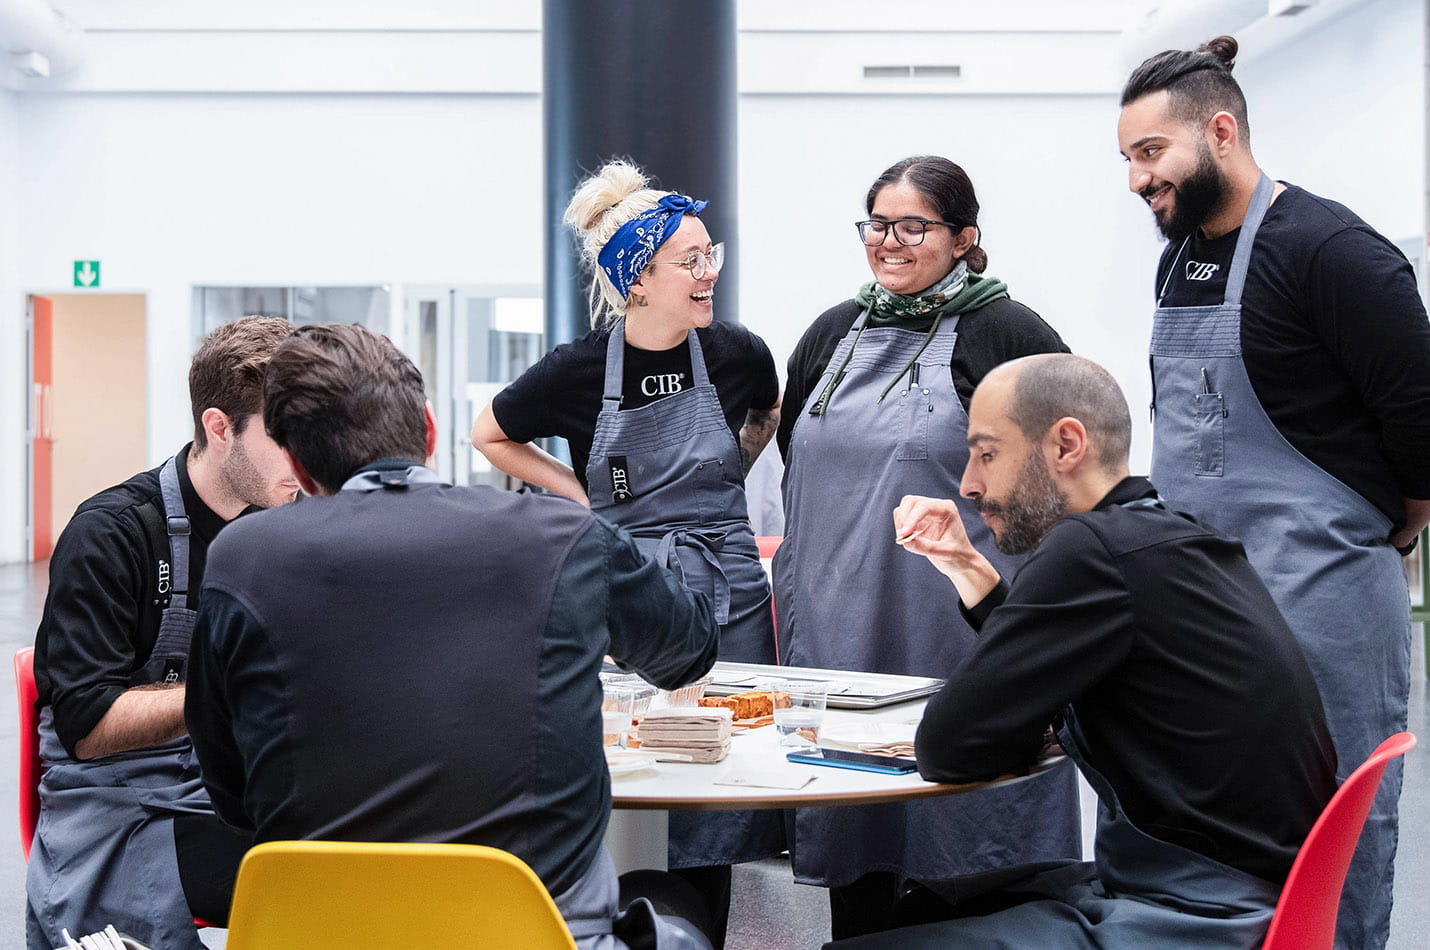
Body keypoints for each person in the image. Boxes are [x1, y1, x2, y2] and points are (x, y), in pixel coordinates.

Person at [186, 323, 721, 950]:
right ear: (431, 431)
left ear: (299, 469)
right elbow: (690, 650)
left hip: (323, 933)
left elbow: (230, 786)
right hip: (532, 933)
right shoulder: (561, 538)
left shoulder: (242, 560)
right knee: (669, 897)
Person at [828, 353, 1337, 950]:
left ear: (1066, 445)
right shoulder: (1160, 538)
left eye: (987, 453)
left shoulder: (1088, 548)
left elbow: (948, 747)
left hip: (1194, 915)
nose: (968, 483)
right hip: (1248, 893)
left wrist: (1009, 721)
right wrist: (966, 564)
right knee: (923, 906)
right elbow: (1042, 676)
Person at [1118, 36, 1430, 948]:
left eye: (1151, 154)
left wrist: (1390, 532)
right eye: (1129, 160)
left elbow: (1422, 421)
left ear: (1221, 132)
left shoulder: (1333, 251)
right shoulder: (1180, 257)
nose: (1138, 181)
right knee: (1208, 837)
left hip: (1320, 601)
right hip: (1205, 604)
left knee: (1332, 831)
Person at [471, 159, 782, 941]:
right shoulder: (577, 372)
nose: (709, 272)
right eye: (690, 261)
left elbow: (767, 410)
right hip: (626, 585)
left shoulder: (737, 353)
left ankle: (696, 928)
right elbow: (491, 435)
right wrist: (579, 499)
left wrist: (729, 480)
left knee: (725, 776)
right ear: (638, 279)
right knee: (633, 761)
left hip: (728, 579)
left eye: (713, 254)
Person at [772, 155, 1080, 938]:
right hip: (841, 637)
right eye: (877, 223)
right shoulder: (831, 334)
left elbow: (1072, 468)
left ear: (965, 238)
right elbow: (796, 462)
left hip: (957, 629)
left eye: (916, 225)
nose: (891, 241)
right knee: (860, 850)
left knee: (968, 855)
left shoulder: (1007, 332)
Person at [26, 316, 299, 950]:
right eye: (283, 438)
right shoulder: (114, 534)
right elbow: (88, 729)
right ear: (218, 427)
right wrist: (226, 691)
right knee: (315, 875)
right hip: (121, 807)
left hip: (224, 782)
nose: (303, 460)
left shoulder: (287, 528)